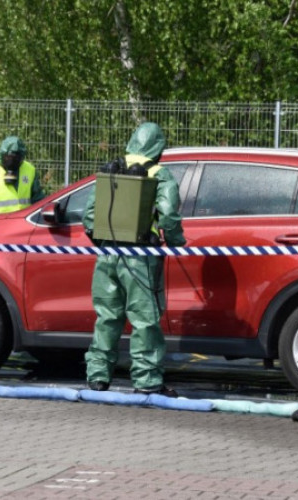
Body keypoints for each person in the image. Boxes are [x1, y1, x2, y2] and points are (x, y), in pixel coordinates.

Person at [82, 122, 186, 396]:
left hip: (107, 256)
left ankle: (97, 378)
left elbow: (89, 217)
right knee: (144, 320)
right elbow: (168, 215)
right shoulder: (160, 174)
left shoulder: (110, 171)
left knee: (107, 317)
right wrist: (175, 243)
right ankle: (147, 382)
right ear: (158, 148)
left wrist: (104, 242)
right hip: (140, 258)